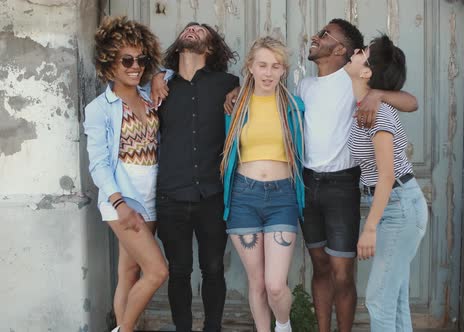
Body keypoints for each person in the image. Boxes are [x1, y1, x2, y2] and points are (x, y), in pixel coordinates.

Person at [297, 19, 418, 332]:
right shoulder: (305, 86)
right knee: (320, 265)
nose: (315, 36)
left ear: (340, 50)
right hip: (308, 184)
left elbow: (411, 102)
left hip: (343, 186)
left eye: (324, 34)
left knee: (343, 273)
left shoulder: (357, 85)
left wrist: (378, 95)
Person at [83, 16, 168, 332]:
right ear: (109, 64)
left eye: (141, 60)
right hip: (122, 198)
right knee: (157, 272)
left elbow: (172, 69)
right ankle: (125, 329)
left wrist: (158, 73)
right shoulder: (100, 108)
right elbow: (98, 163)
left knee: (129, 273)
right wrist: (119, 203)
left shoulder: (148, 94)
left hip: (150, 193)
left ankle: (121, 326)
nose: (136, 66)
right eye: (127, 60)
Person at [152, 23, 239, 332]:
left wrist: (242, 90)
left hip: (212, 196)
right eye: (188, 28)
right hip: (170, 194)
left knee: (214, 269)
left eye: (200, 30)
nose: (192, 30)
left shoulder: (228, 83)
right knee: (178, 271)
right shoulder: (160, 86)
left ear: (211, 46)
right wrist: (157, 74)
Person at [220, 36, 304, 332]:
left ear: (284, 70)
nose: (269, 73)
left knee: (275, 285)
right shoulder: (235, 107)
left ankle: (283, 324)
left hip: (282, 198)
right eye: (263, 65)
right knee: (256, 283)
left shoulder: (295, 106)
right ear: (251, 68)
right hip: (244, 197)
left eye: (276, 66)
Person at [346, 35, 428, 332]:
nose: (354, 52)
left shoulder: (377, 113)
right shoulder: (363, 105)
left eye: (362, 52)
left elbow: (387, 174)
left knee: (380, 300)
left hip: (398, 206)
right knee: (394, 301)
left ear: (367, 71)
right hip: (391, 204)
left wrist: (369, 228)